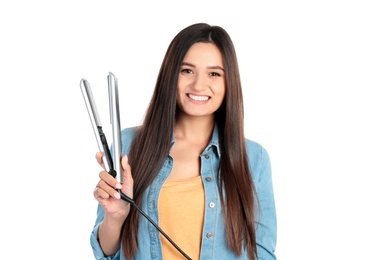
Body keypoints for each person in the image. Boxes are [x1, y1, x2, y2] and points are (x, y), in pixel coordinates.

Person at [90, 22, 277, 260]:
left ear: (229, 82)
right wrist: (115, 217)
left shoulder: (254, 158)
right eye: (187, 70)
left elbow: (262, 252)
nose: (199, 85)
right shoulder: (129, 145)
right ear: (171, 74)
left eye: (214, 73)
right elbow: (106, 254)